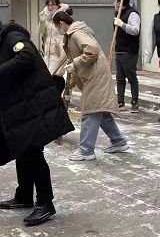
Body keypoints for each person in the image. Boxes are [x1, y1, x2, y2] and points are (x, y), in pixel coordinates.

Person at [0, 15, 74, 226]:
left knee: (34, 153)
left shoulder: (13, 37)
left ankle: (45, 203)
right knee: (22, 151)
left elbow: (26, 57)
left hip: (33, 105)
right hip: (20, 108)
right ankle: (25, 195)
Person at [53, 11, 130, 161]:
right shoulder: (73, 34)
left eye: (56, 26)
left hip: (95, 77)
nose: (57, 30)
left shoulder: (77, 33)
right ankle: (118, 142)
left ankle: (86, 150)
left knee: (90, 111)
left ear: (61, 23)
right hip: (93, 76)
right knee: (101, 111)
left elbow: (92, 51)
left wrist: (75, 64)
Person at [112, 0, 140, 112]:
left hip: (129, 51)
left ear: (121, 2)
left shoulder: (132, 14)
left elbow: (135, 30)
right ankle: (120, 102)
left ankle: (134, 103)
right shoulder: (118, 13)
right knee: (120, 78)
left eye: (117, 1)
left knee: (131, 77)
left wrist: (123, 25)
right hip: (119, 49)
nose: (115, 3)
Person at [37, 0, 71, 97]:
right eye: (48, 5)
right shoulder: (46, 16)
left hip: (59, 50)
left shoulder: (63, 16)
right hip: (48, 49)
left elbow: (67, 31)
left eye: (52, 5)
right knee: (49, 73)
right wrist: (42, 22)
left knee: (56, 74)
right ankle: (52, 97)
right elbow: (41, 32)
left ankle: (56, 96)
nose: (50, 7)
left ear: (58, 5)